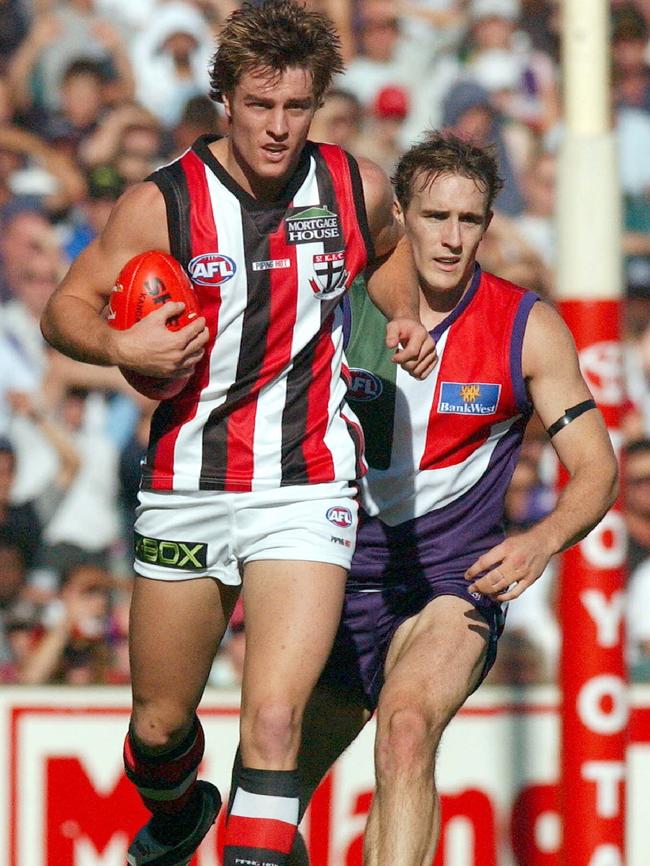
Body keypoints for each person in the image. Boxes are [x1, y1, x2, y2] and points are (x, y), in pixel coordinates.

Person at [39, 3, 435, 866]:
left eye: (297, 108)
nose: (279, 127)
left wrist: (400, 313)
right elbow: (63, 308)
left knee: (276, 717)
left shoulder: (350, 185)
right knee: (158, 726)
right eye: (261, 107)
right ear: (227, 100)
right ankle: (178, 810)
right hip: (189, 480)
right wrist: (116, 342)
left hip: (308, 480)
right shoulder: (164, 201)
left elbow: (392, 254)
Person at [286, 131, 619, 866]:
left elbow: (597, 469)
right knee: (271, 799)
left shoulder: (527, 326)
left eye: (469, 221)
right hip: (331, 577)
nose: (452, 237)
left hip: (450, 581)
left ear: (488, 225)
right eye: (436, 217)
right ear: (399, 214)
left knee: (406, 731)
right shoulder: (340, 308)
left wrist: (541, 539)